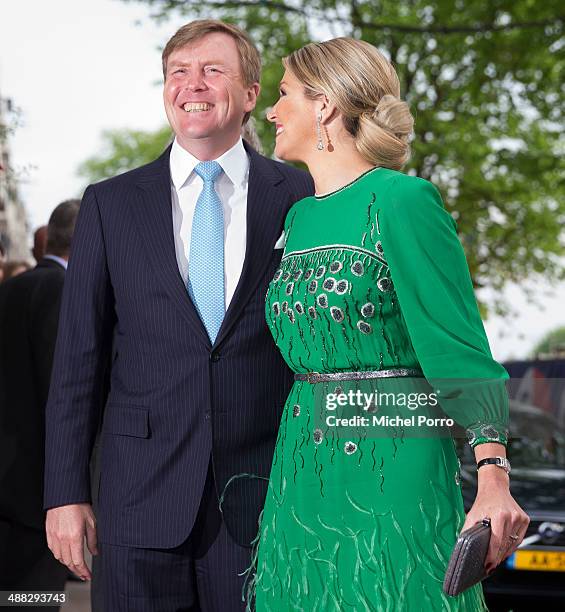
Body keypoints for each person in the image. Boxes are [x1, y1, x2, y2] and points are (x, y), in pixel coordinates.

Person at [243, 38, 530, 610]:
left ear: (323, 105)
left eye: (283, 95)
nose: (271, 112)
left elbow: (459, 348)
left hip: (392, 454)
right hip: (302, 458)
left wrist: (493, 474)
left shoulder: (404, 201)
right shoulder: (298, 216)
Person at [43, 19, 313, 612]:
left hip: (269, 500)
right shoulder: (109, 204)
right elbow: (77, 362)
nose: (193, 84)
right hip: (136, 501)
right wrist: (62, 494)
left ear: (249, 95)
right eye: (178, 72)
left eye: (213, 70)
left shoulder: (302, 196)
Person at [0, 200, 80, 604]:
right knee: (35, 599)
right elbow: (62, 392)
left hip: (11, 487)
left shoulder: (12, 287)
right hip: (36, 494)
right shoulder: (62, 291)